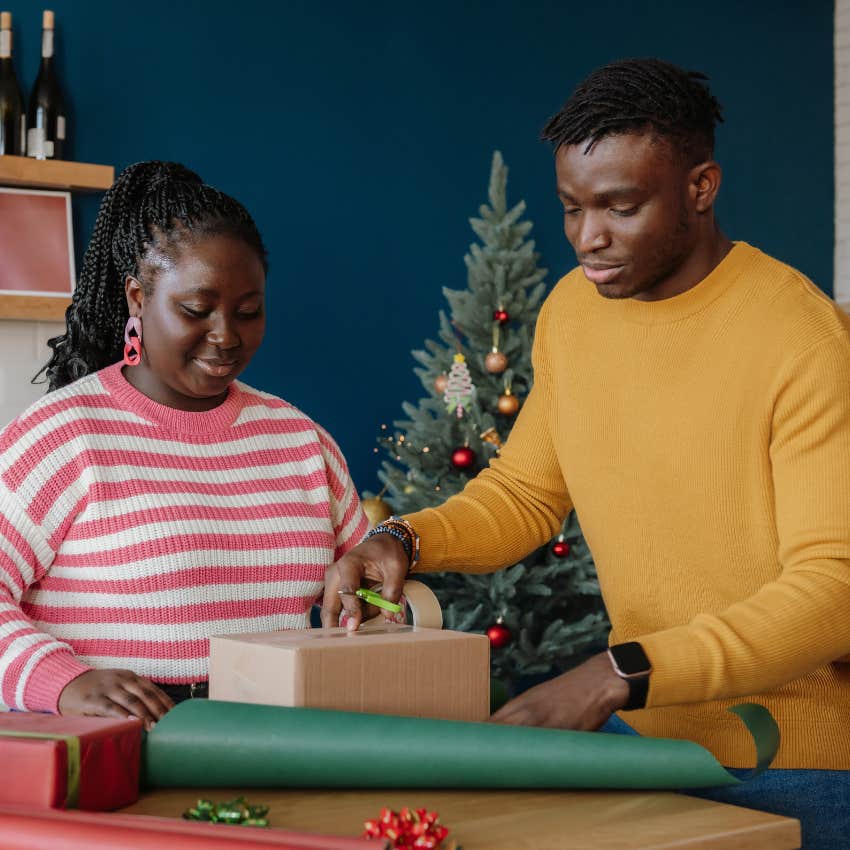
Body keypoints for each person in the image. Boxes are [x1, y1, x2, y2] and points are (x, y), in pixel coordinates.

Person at [322, 59, 850, 847]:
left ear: (701, 187)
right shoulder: (574, 311)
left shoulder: (800, 337)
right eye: (572, 207)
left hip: (796, 767)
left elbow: (832, 590)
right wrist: (403, 538)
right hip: (650, 746)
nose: (587, 237)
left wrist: (619, 672)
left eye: (620, 207)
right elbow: (528, 492)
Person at [0, 160, 367, 729]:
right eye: (196, 311)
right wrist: (62, 680)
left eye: (249, 312)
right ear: (137, 299)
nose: (226, 337)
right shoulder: (63, 436)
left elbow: (370, 585)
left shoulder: (300, 440)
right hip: (117, 759)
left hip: (283, 749)